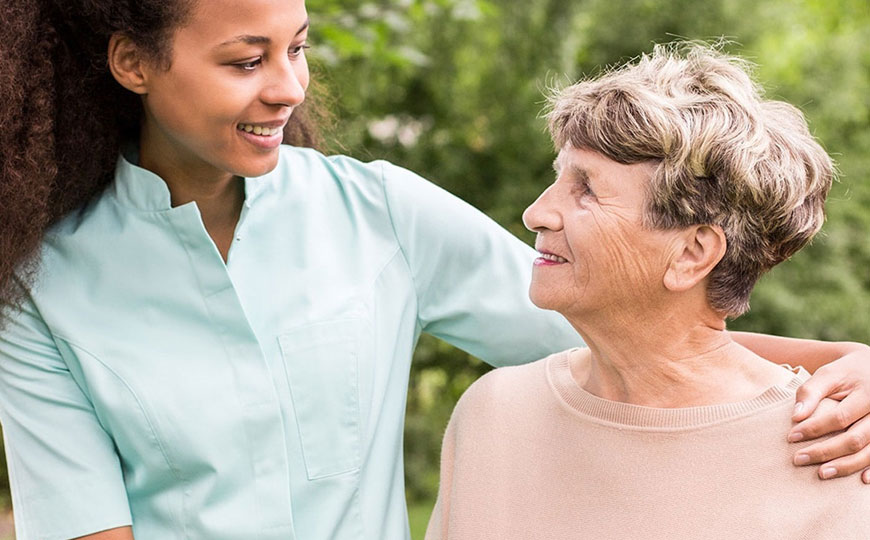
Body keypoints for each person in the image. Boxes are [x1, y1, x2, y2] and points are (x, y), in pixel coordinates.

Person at [0, 1, 868, 539]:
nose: (288, 87)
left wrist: (841, 363)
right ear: (133, 64)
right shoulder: (41, 289)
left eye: (297, 48)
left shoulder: (378, 212)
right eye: (244, 60)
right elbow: (83, 526)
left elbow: (636, 329)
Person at [425, 43, 870, 540]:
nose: (537, 213)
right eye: (558, 178)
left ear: (691, 253)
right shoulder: (494, 414)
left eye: (586, 189)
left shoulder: (841, 454)